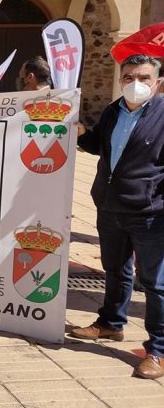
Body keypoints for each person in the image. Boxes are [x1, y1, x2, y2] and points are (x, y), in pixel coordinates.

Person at [70, 54, 164, 379]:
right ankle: (110, 324)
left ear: (158, 82)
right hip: (109, 207)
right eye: (128, 77)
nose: (135, 84)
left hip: (149, 214)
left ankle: (158, 350)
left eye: (143, 78)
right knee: (115, 271)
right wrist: (81, 131)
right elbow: (97, 145)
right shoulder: (114, 110)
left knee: (154, 282)